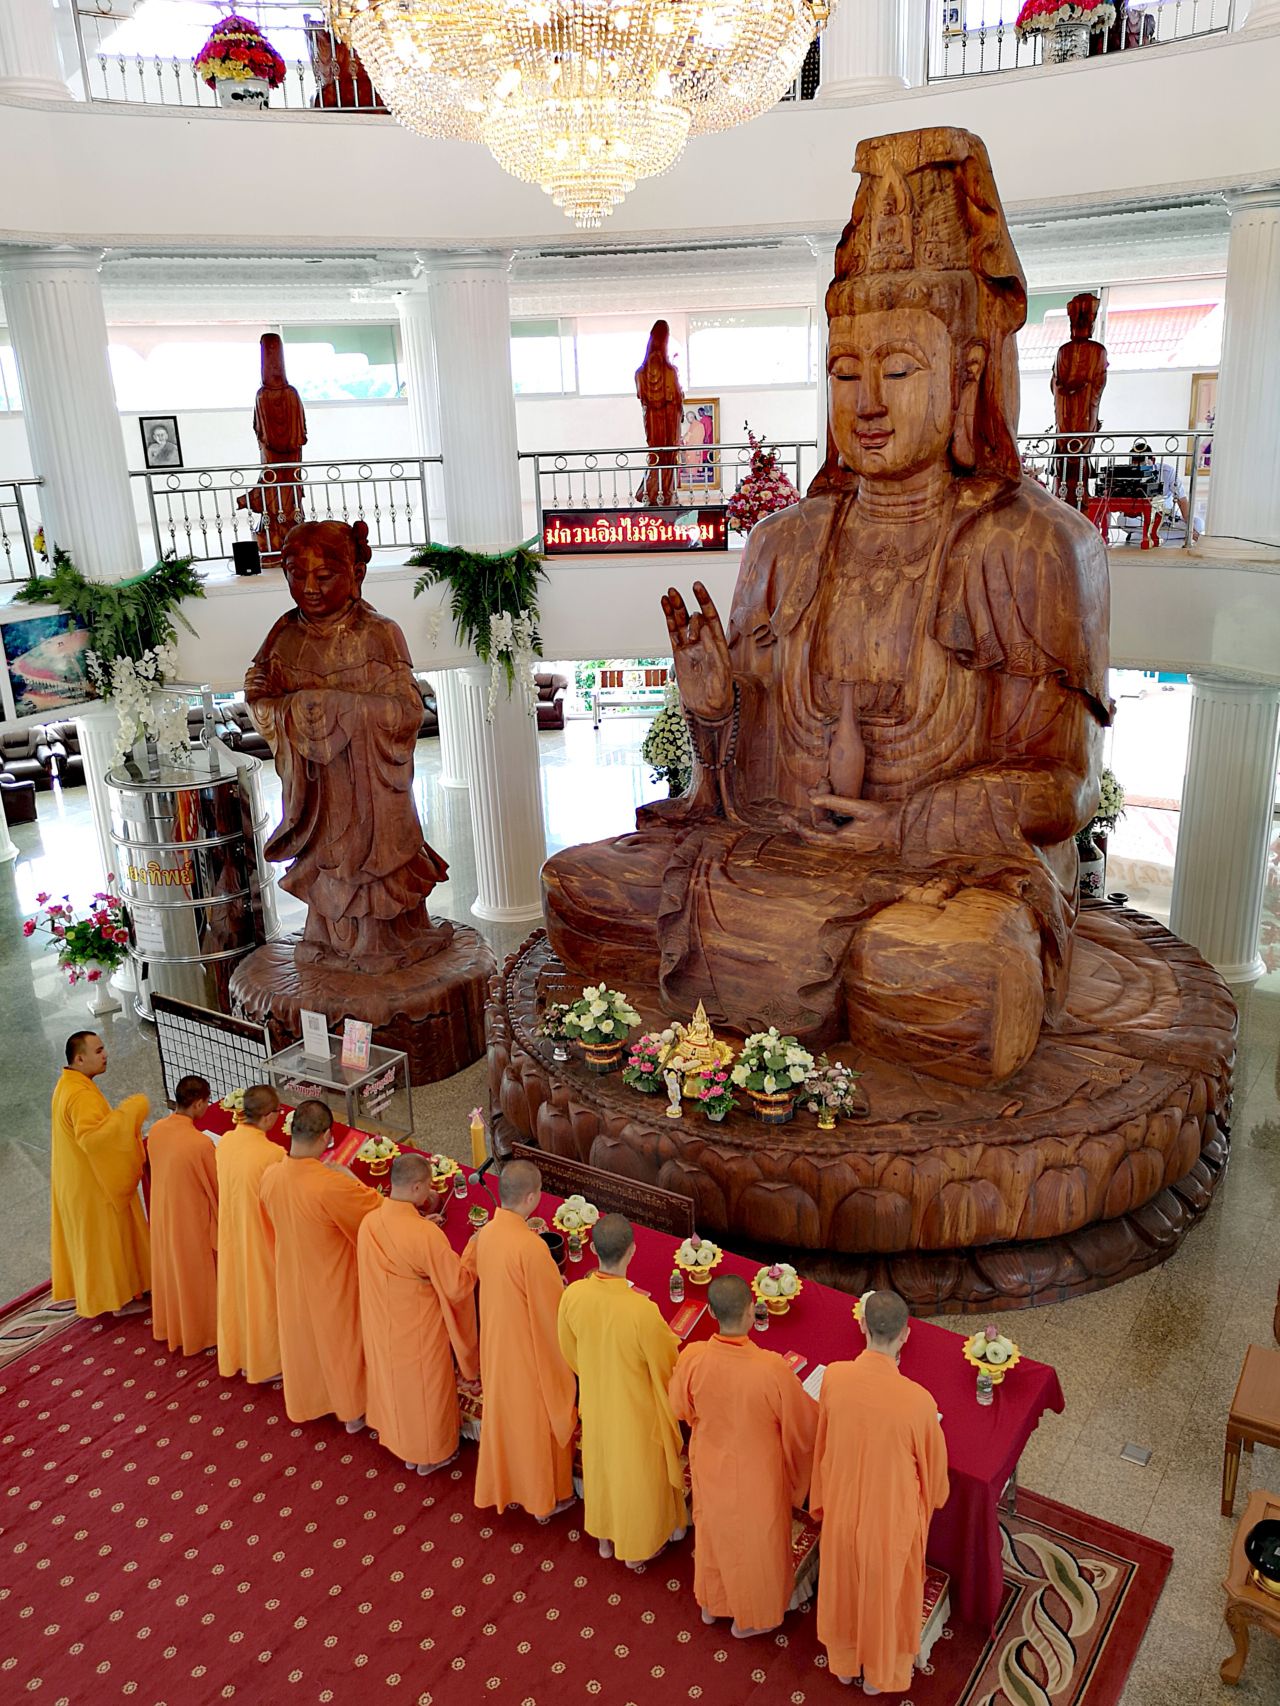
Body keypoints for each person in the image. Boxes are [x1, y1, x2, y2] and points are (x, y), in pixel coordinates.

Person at [543, 128, 1110, 1091]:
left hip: (933, 875)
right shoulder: (786, 542)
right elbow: (737, 777)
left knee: (960, 983)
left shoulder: (1033, 544)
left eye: (900, 370)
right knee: (581, 887)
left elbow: (1063, 788)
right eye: (847, 373)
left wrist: (906, 827)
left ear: (968, 374)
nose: (869, 402)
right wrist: (717, 708)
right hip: (772, 851)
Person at [244, 519, 451, 976]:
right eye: (297, 575)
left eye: (324, 575)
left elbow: (408, 710)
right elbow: (258, 698)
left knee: (375, 866)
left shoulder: (380, 633)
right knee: (325, 866)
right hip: (318, 789)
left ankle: (389, 939)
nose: (309, 588)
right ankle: (324, 937)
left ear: (356, 573)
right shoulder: (283, 635)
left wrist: (341, 707)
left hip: (371, 792)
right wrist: (291, 710)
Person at [810, 1291, 949, 1694]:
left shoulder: (835, 1377)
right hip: (889, 1520)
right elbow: (935, 1479)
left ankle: (843, 1662)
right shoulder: (918, 1402)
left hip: (842, 1508)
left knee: (843, 1588)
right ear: (906, 1334)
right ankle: (878, 1673)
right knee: (884, 1598)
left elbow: (822, 1443)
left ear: (862, 1325)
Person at [669, 1273, 817, 1636]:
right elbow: (804, 1426)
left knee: (714, 1534)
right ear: (751, 1311)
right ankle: (750, 1618)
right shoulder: (771, 1368)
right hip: (756, 1474)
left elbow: (679, 1408)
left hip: (710, 1462)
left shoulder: (693, 1357)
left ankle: (712, 1603)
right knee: (755, 1547)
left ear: (712, 1313)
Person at [557, 1214, 686, 1568]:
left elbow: (568, 1349)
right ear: (632, 1251)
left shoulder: (574, 1294)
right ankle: (636, 1548)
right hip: (634, 1409)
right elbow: (667, 1365)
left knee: (601, 1467)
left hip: (597, 1398)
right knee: (636, 1476)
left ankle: (603, 1539)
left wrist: (596, 1372)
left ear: (593, 1248)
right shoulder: (641, 1311)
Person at [460, 1159, 577, 1522]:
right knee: (536, 1420)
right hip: (527, 1348)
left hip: (497, 1339)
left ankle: (509, 1484)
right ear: (531, 1198)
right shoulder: (531, 1248)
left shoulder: (486, 1233)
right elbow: (551, 1311)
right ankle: (543, 1499)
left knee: (509, 1417)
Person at [259, 1099, 380, 1430]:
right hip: (331, 1277)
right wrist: (351, 1177)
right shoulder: (330, 1185)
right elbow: (376, 1215)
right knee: (341, 1343)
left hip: (291, 1273)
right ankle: (352, 1410)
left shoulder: (270, 1176)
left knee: (305, 1342)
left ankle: (311, 1400)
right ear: (327, 1136)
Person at [358, 1151, 478, 1474]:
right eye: (427, 1186)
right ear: (415, 1187)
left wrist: (421, 1225)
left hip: (383, 1320)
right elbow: (457, 1286)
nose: (430, 1192)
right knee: (426, 1392)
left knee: (396, 1388)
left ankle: (402, 1445)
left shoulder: (370, 1222)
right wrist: (473, 1249)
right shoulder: (424, 1235)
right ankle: (431, 1455)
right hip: (418, 1328)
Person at [49, 1031, 149, 1319]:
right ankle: (119, 1301)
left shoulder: (67, 1083)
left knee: (91, 1244)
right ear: (79, 1059)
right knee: (107, 1242)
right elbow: (95, 1140)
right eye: (98, 1051)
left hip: (74, 1178)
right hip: (93, 1184)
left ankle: (101, 1292)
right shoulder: (80, 1096)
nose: (106, 1055)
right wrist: (130, 1113)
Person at [215, 1082, 285, 1383]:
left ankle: (242, 1355)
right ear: (268, 1117)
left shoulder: (227, 1141)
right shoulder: (273, 1154)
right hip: (261, 1236)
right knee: (263, 1298)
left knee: (237, 1295)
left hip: (232, 1232)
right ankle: (267, 1364)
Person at [146, 1075, 218, 1355]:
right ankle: (203, 1333)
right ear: (198, 1103)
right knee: (195, 1277)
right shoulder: (199, 1144)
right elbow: (216, 1188)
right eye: (207, 1102)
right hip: (191, 1220)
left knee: (173, 1273)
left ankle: (173, 1325)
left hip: (164, 1214)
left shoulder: (157, 1130)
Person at [249, 331, 307, 553]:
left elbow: (261, 431)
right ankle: (282, 527)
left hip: (277, 458)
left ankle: (280, 528)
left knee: (279, 487)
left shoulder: (263, 394)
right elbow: (300, 431)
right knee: (283, 489)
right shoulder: (287, 393)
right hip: (287, 456)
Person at [635, 319, 684, 507]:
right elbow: (676, 398)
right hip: (668, 423)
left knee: (656, 456)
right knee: (668, 456)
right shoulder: (670, 371)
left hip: (652, 423)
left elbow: (642, 397)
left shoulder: (640, 373)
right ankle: (664, 492)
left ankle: (653, 490)